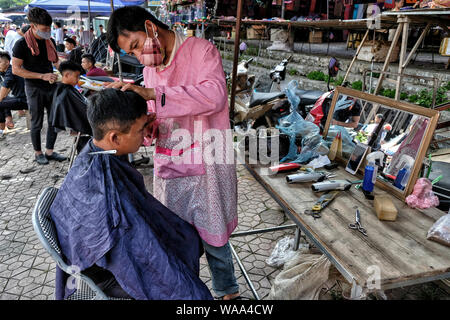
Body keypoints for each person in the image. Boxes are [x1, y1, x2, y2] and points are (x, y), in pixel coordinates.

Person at [107, 6, 240, 300]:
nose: (139, 55)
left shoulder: (201, 51)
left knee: (214, 237)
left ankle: (228, 294)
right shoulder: (149, 70)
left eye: (136, 45)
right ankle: (186, 292)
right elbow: (158, 114)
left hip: (207, 157)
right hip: (171, 162)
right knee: (175, 236)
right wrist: (149, 125)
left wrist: (154, 95)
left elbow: (215, 96)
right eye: (131, 52)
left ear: (150, 27)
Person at [50, 88, 213, 300]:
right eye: (140, 130)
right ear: (115, 137)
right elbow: (134, 248)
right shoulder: (107, 199)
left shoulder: (95, 152)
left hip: (106, 250)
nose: (145, 134)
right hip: (109, 271)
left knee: (185, 239)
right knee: (187, 292)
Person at [12, 7, 66, 165]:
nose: (48, 31)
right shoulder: (21, 44)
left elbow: (56, 61)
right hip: (34, 87)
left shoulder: (50, 41)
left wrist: (67, 71)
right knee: (37, 121)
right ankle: (38, 153)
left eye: (49, 27)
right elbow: (16, 70)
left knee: (54, 120)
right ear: (33, 25)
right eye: (44, 28)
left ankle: (50, 151)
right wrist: (41, 76)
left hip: (51, 84)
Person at [49, 60, 91, 152]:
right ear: (67, 75)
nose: (78, 79)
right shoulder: (66, 92)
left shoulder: (63, 89)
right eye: (77, 76)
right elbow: (83, 110)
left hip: (82, 122)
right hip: (84, 124)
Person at [0, 51, 28, 140]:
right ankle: (8, 121)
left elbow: (3, 92)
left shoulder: (11, 72)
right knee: (4, 99)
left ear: (7, 62)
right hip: (19, 98)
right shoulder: (5, 71)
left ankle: (1, 130)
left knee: (0, 101)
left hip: (25, 100)